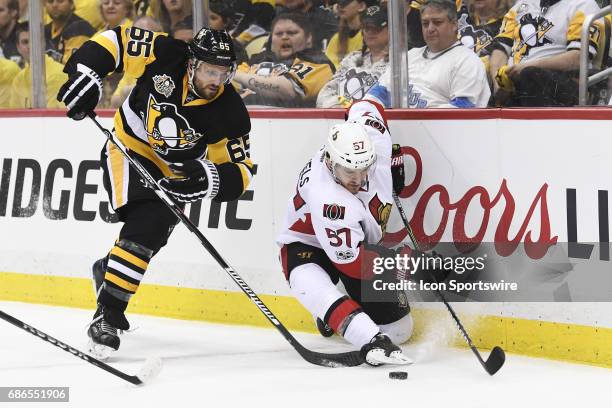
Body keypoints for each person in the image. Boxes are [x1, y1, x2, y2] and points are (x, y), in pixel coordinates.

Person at [56, 26, 254, 358]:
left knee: (150, 237)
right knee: (148, 223)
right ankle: (107, 315)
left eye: (223, 72)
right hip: (129, 148)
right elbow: (115, 40)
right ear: (191, 64)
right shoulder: (166, 54)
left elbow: (242, 170)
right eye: (209, 70)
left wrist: (208, 178)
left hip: (174, 171)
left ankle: (109, 270)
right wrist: (87, 73)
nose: (216, 80)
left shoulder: (230, 111)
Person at [276, 94, 413, 366]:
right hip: (306, 246)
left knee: (400, 330)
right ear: (330, 161)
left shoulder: (376, 140)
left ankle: (344, 310)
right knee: (313, 288)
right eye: (349, 171)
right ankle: (338, 316)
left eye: (364, 168)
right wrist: (409, 266)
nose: (359, 179)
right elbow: (354, 265)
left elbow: (367, 104)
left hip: (355, 243)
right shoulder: (329, 200)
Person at [369, 0, 490, 108]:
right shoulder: (409, 56)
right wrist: (365, 108)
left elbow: (463, 111)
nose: (430, 29)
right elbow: (380, 91)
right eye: (425, 23)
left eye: (437, 22)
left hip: (440, 129)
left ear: (454, 25)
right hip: (398, 126)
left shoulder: (467, 61)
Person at [489, 0, 604, 107]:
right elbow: (500, 48)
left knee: (530, 75)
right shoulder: (521, 5)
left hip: (561, 81)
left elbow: (578, 58)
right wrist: (498, 82)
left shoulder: (584, 5)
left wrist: (527, 66)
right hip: (516, 83)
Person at [234, 12, 335, 107]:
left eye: (291, 33)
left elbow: (288, 90)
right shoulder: (256, 60)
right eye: (278, 34)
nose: (284, 37)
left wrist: (233, 74)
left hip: (285, 121)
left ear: (308, 38)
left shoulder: (318, 62)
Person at [317, 4, 389, 108]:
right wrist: (342, 105)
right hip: (342, 117)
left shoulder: (401, 62)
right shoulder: (351, 59)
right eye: (366, 27)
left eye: (376, 28)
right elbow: (325, 94)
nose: (370, 32)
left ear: (391, 29)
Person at [10, 21, 68, 107]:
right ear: (18, 47)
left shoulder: (57, 75)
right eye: (25, 42)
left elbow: (52, 117)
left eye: (34, 41)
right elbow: (13, 117)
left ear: (43, 43)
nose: (30, 46)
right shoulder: (18, 80)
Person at [324, 0, 372, 69]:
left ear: (361, 6)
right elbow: (328, 66)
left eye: (346, 2)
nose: (340, 6)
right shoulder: (336, 38)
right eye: (339, 3)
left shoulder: (370, 35)